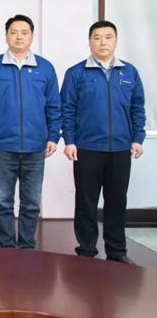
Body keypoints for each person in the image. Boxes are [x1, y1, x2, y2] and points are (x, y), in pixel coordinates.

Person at [61, 20, 145, 264]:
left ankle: (117, 252)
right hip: (87, 148)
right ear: (89, 42)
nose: (103, 42)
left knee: (117, 201)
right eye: (97, 37)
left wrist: (137, 138)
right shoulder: (76, 73)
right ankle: (86, 251)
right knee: (86, 202)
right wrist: (70, 141)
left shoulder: (130, 72)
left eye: (108, 37)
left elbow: (137, 108)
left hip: (120, 148)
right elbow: (67, 109)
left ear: (116, 40)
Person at [0, 14, 61, 250]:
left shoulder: (45, 68)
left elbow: (54, 105)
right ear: (6, 36)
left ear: (32, 37)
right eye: (13, 32)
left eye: (24, 33)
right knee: (4, 202)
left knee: (31, 203)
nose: (19, 37)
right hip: (2, 146)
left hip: (36, 147)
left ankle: (26, 247)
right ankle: (7, 247)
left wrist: (53, 136)